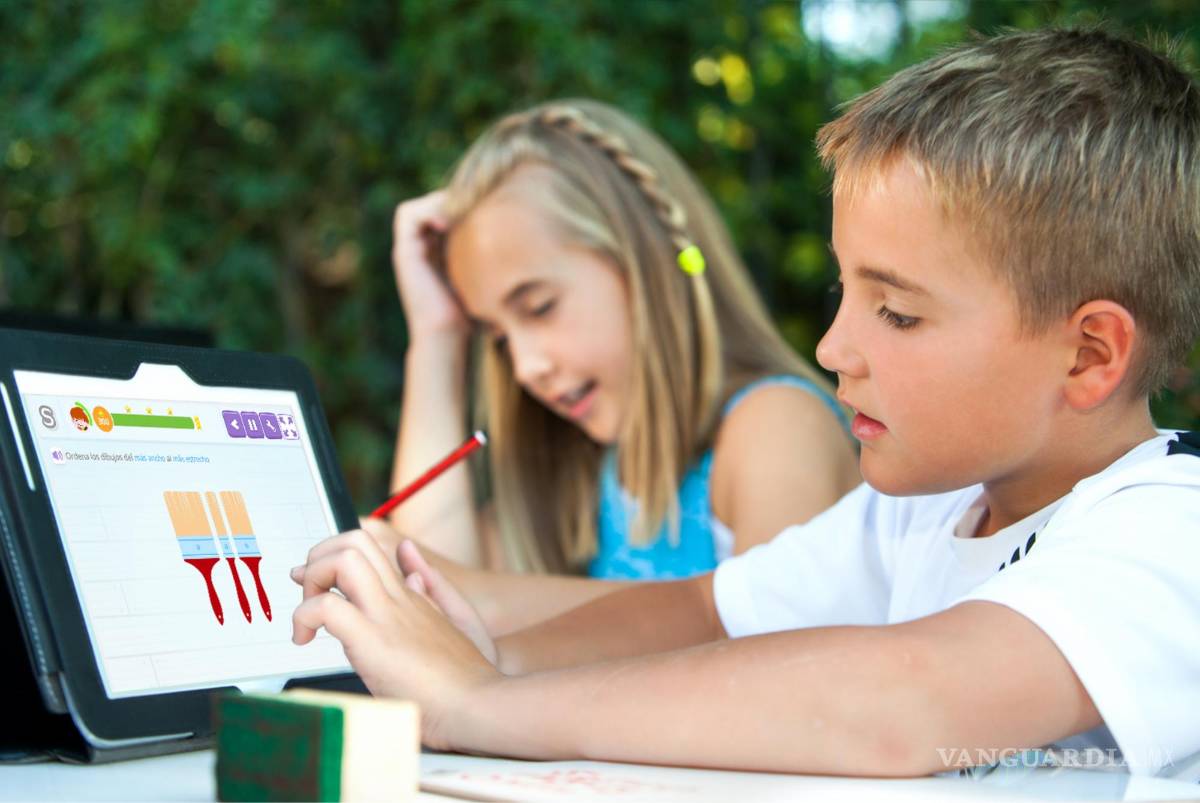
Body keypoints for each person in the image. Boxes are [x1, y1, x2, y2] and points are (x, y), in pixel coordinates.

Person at [292, 28, 1200, 777]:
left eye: (897, 311)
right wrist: (471, 653)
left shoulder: (1171, 529)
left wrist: (481, 704)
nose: (833, 347)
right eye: (845, 293)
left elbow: (900, 702)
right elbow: (702, 612)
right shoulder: (916, 516)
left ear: (1089, 355)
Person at [383, 99, 859, 633]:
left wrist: (484, 599)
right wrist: (436, 338)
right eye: (496, 338)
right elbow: (429, 602)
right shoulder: (584, 474)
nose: (524, 369)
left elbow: (769, 658)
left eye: (539, 307)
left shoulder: (776, 425)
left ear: (648, 256)